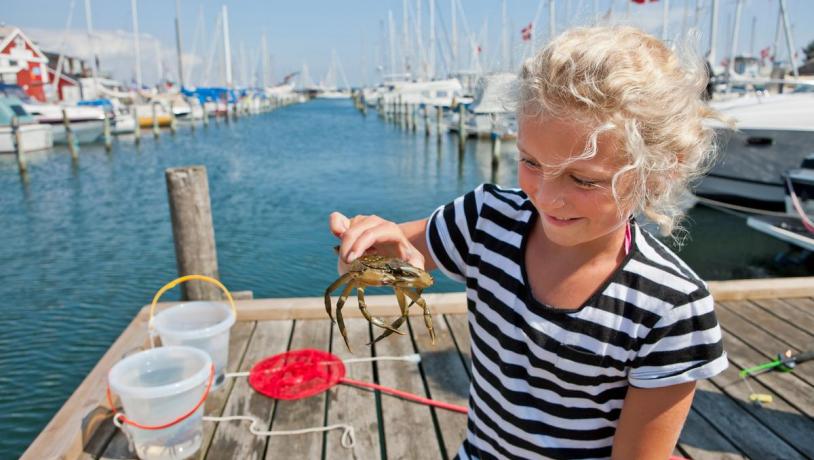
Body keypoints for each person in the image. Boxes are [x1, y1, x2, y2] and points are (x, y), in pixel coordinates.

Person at [329, 25, 728, 460]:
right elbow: (372, 268)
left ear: (658, 172)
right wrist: (365, 250)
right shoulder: (484, 221)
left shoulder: (672, 307)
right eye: (530, 162)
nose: (548, 196)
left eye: (582, 178)